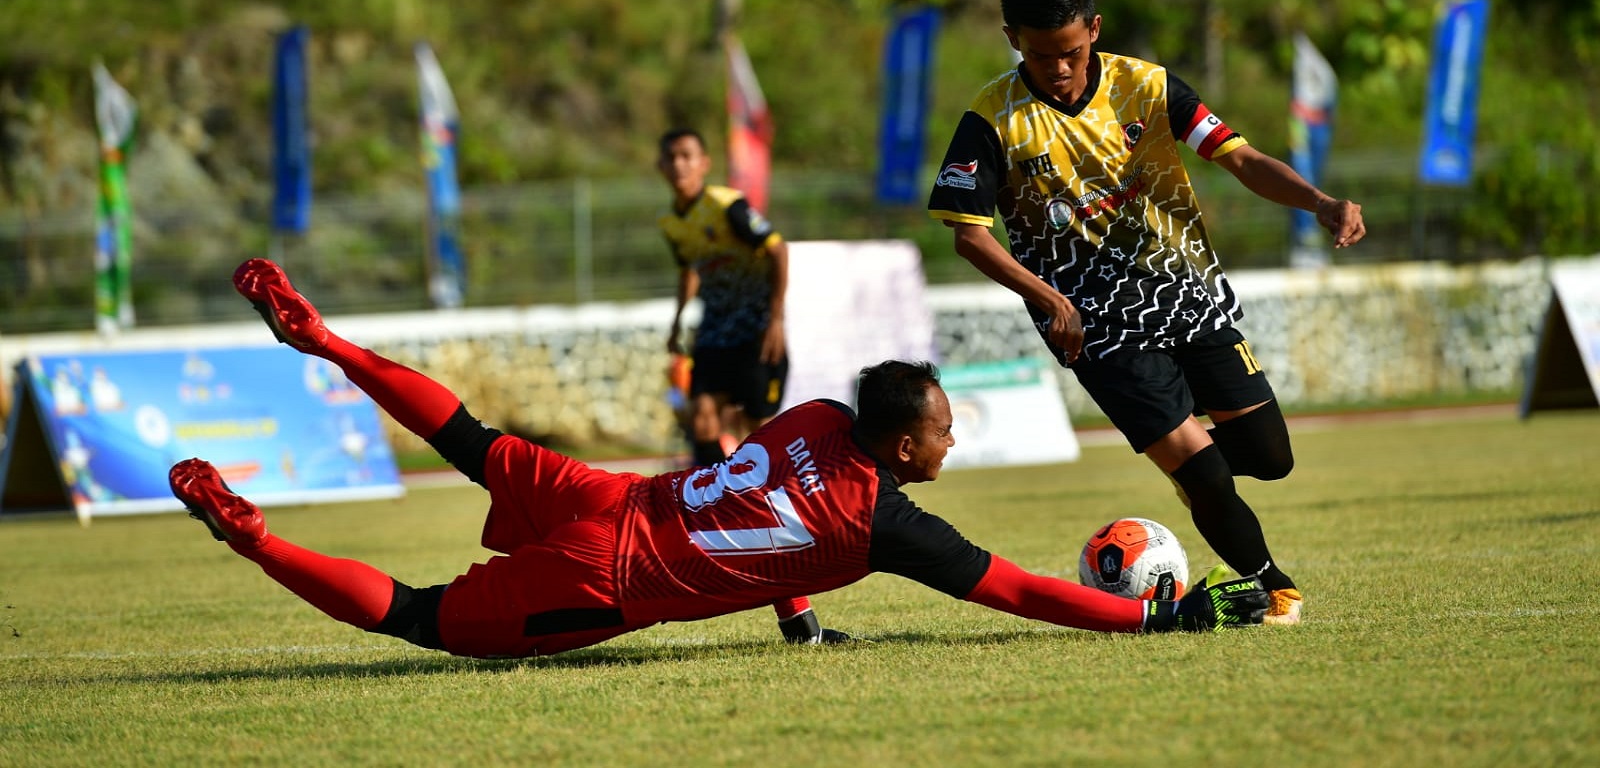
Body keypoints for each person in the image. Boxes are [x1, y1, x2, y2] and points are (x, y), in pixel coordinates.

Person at [168, 258, 1269, 661]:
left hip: (614, 493)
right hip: (605, 575)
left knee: (463, 436)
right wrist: (1155, 617)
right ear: (900, 446)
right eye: (941, 427)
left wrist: (797, 618)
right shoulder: (885, 522)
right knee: (414, 617)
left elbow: (777, 529)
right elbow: (1021, 590)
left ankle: (325, 340)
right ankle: (254, 534)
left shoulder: (814, 418)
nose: (952, 436)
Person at [927, 0, 1367, 627]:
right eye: (1042, 55)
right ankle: (1271, 585)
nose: (1060, 69)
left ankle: (1196, 481)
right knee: (1204, 473)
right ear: (1013, 38)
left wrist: (1319, 201)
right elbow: (968, 232)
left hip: (1186, 293)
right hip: (1093, 326)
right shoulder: (992, 117)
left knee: (1270, 459)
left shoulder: (1149, 86)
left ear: (1094, 30)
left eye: (1072, 52)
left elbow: (1240, 158)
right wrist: (1050, 299)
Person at [657, 128, 789, 466]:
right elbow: (689, 271)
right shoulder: (672, 224)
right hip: (715, 331)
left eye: (686, 156)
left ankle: (770, 503)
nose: (679, 165)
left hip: (755, 327)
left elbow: (777, 250)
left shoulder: (727, 205)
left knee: (758, 426)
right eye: (671, 157)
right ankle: (712, 500)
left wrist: (775, 319)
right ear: (661, 166)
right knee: (701, 417)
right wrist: (676, 323)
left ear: (704, 164)